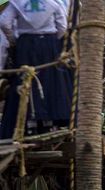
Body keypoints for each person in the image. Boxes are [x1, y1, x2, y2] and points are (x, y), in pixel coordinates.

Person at [0, 0, 72, 139]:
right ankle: (49, 121)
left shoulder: (18, 2)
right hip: (48, 45)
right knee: (49, 81)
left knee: (25, 82)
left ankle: (29, 122)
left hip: (25, 46)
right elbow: (62, 25)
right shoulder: (53, 2)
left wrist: (16, 39)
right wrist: (53, 41)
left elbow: (4, 23)